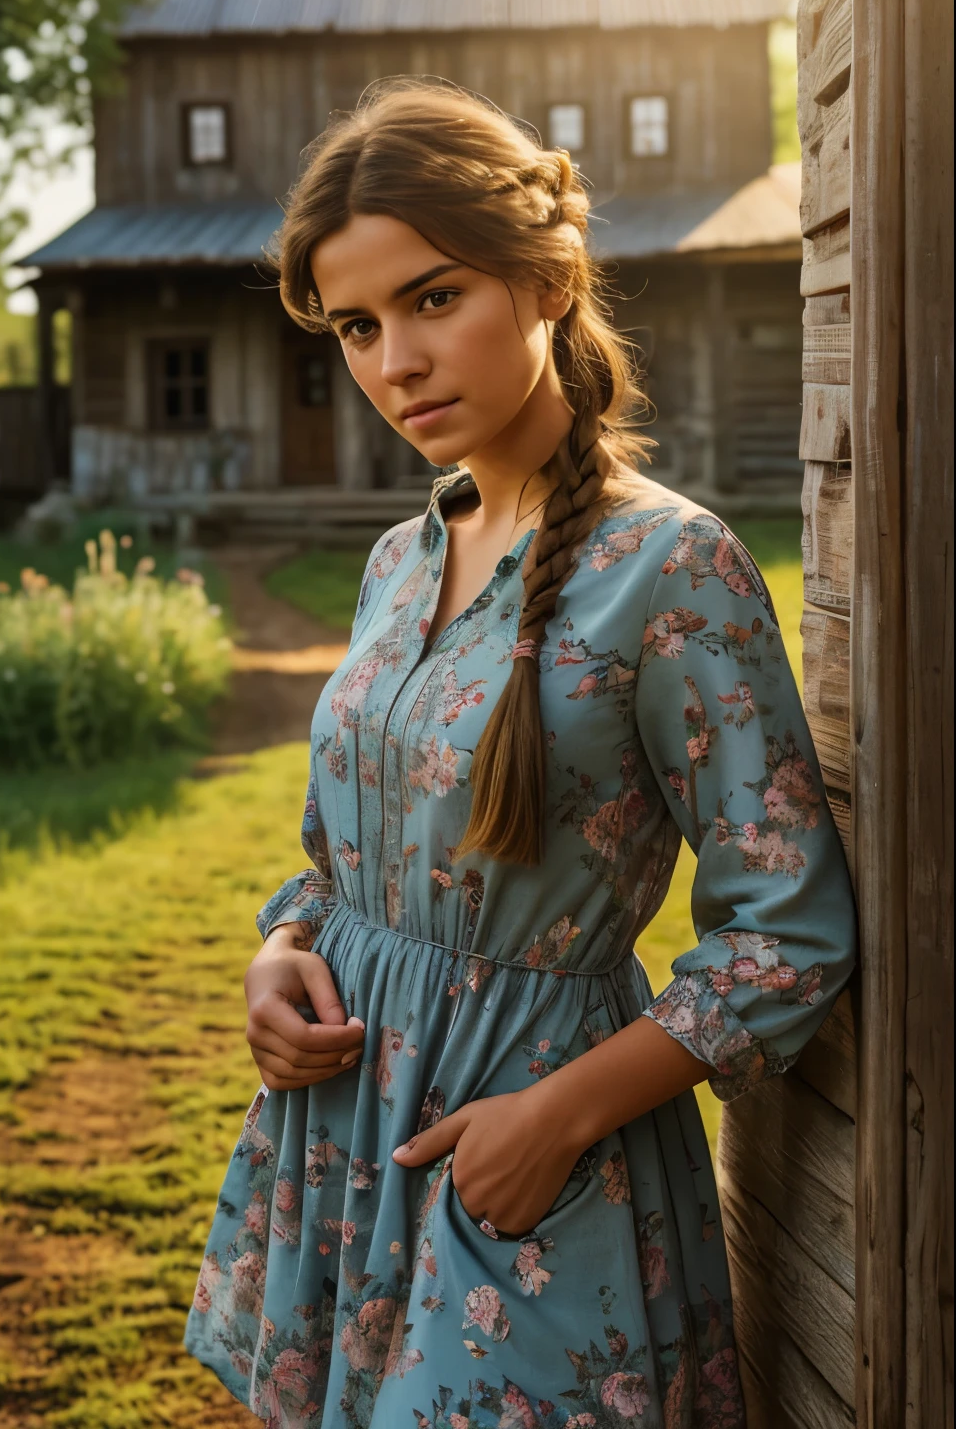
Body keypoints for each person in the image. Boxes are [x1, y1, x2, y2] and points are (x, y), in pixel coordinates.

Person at [184, 79, 857, 1428]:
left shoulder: (671, 567)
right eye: (359, 326)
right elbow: (346, 851)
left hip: (539, 1172)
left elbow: (788, 932)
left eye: (435, 300)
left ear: (546, 278)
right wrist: (283, 951)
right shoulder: (397, 559)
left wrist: (555, 1117)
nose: (395, 363)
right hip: (349, 1150)